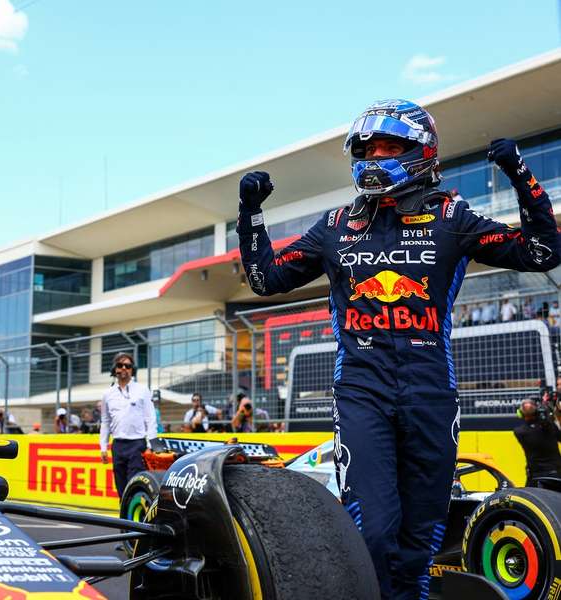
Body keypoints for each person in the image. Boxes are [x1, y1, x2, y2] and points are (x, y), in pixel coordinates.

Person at [237, 99, 561, 599]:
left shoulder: (452, 216)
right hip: (362, 392)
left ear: (421, 152)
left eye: (389, 147)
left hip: (431, 393)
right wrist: (250, 215)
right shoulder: (336, 224)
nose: (375, 157)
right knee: (373, 532)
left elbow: (541, 251)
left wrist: (522, 177)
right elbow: (264, 278)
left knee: (420, 541)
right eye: (367, 149)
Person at [99, 351, 158, 499]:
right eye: (120, 365)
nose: (124, 368)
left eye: (128, 365)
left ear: (133, 369)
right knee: (121, 485)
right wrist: (103, 447)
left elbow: (150, 418)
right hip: (118, 445)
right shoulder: (107, 394)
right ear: (115, 369)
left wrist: (152, 445)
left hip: (137, 445)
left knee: (135, 483)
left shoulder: (142, 390)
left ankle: (133, 519)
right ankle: (124, 518)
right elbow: (105, 421)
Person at [514, 398, 561, 487]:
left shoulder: (519, 431)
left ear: (520, 413)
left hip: (535, 474)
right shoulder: (550, 427)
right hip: (555, 472)